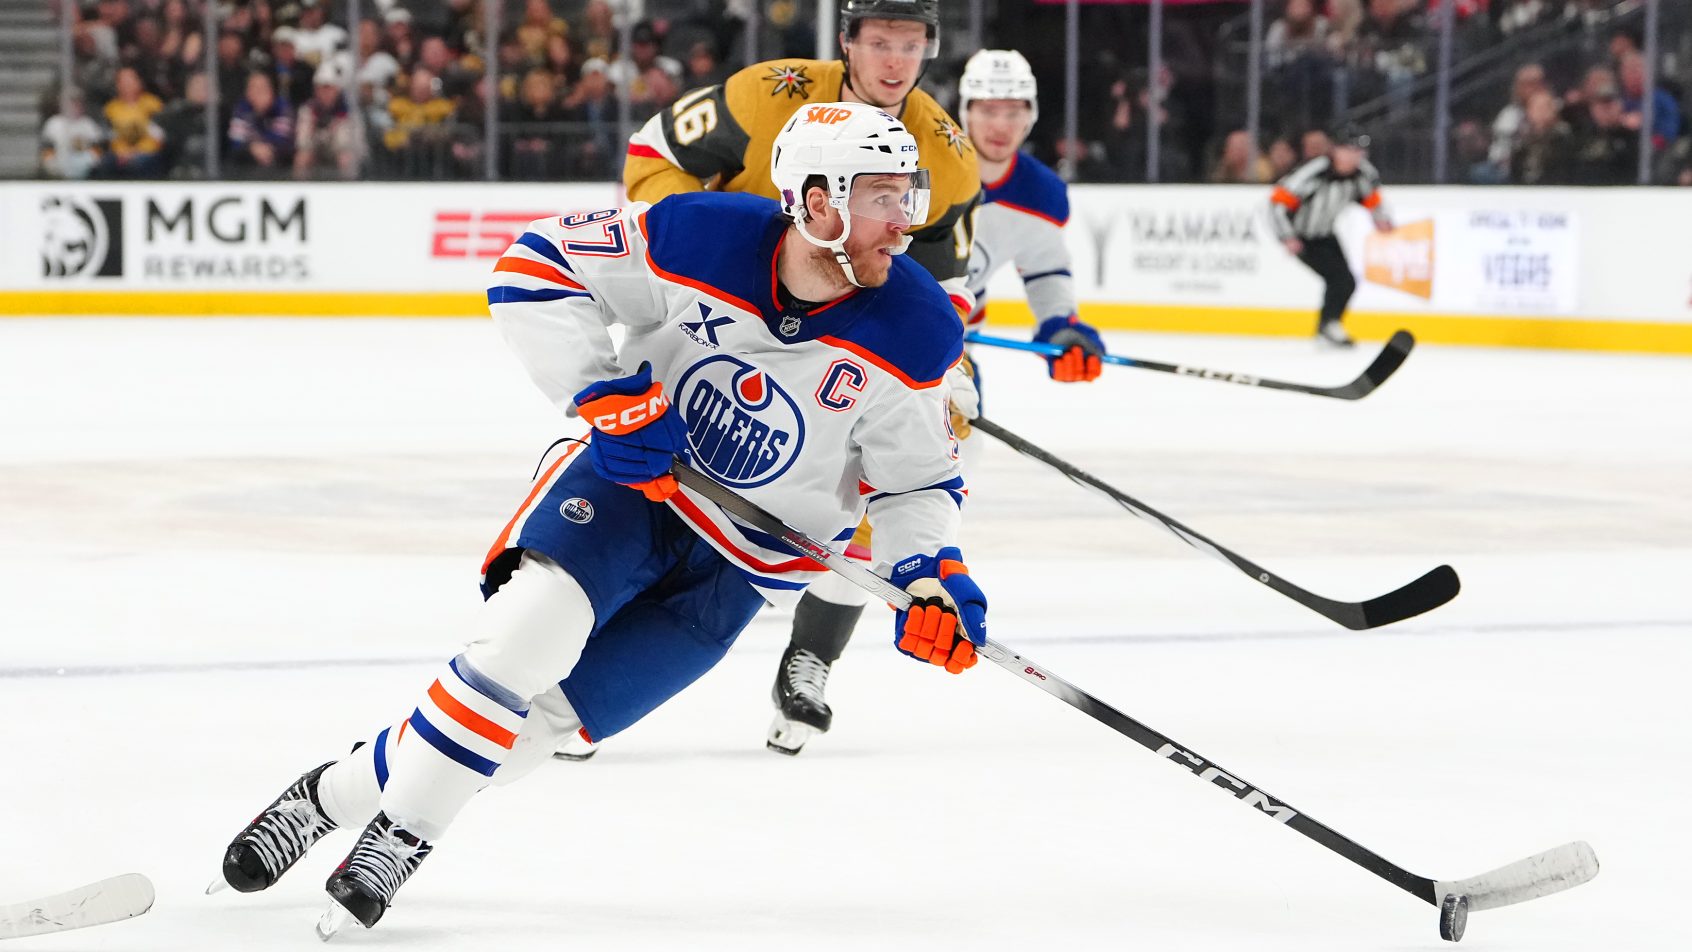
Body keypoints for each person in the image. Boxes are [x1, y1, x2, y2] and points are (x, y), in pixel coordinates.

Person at [214, 101, 987, 934]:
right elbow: (534, 264)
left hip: (742, 570)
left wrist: (926, 574)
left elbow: (916, 485)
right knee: (519, 644)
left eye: (906, 195)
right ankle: (404, 836)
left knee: (545, 726)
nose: (904, 223)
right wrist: (610, 397)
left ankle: (329, 792)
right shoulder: (698, 235)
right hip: (632, 491)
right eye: (881, 197)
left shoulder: (919, 328)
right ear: (815, 198)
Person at [591, 0, 980, 758]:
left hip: (830, 341)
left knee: (877, 493)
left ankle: (812, 661)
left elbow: (939, 282)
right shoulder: (773, 90)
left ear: (929, 51)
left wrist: (948, 376)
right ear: (848, 43)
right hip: (720, 323)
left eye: (909, 45)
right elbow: (651, 152)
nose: (893, 61)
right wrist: (720, 253)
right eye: (878, 42)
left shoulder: (947, 153)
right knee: (648, 472)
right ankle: (585, 646)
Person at [957, 49, 1106, 381]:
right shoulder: (921, 169)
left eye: (1013, 112)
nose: (1000, 125)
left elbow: (1045, 270)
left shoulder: (1042, 194)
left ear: (1031, 115)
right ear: (965, 111)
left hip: (955, 353)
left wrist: (1059, 328)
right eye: (988, 110)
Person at [1269, 125, 1392, 347]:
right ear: (1335, 150)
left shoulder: (1363, 173)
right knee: (1340, 279)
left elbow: (1372, 198)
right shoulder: (1314, 171)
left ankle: (1327, 325)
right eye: (1349, 150)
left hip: (1325, 234)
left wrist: (1381, 219)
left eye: (1359, 152)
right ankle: (1328, 326)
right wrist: (1287, 236)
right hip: (1302, 236)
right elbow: (1278, 203)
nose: (1354, 157)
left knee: (1345, 281)